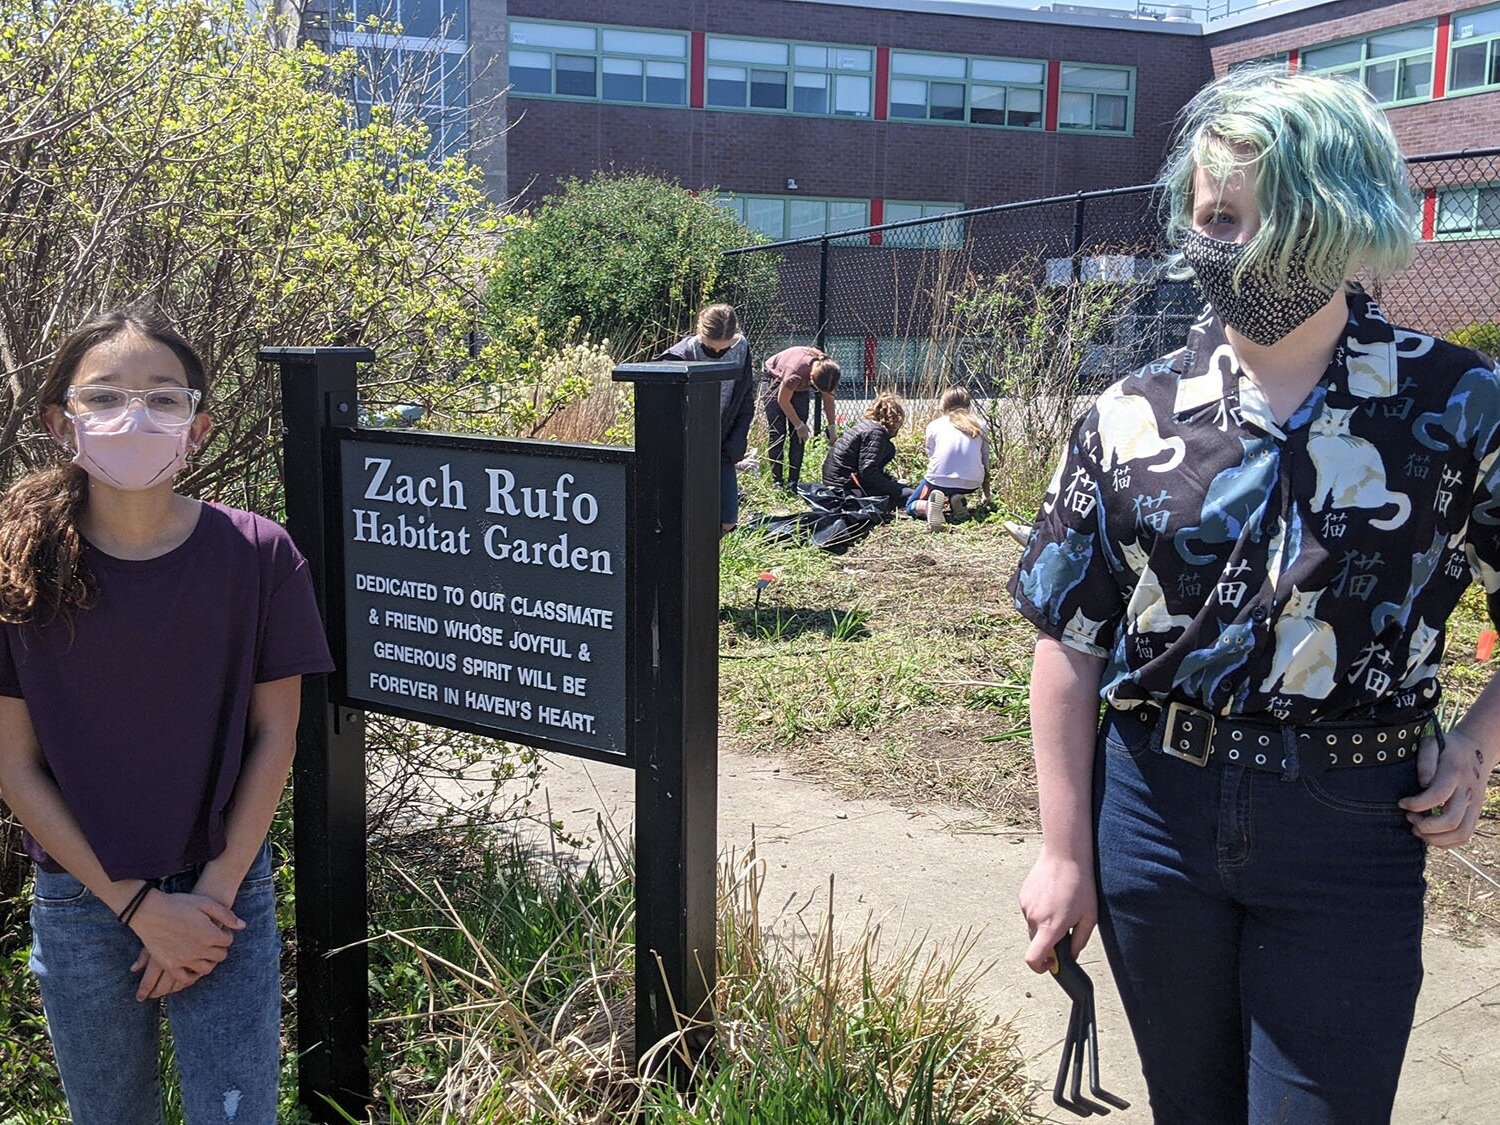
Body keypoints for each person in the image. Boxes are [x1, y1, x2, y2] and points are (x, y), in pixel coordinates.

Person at [1010, 66, 1500, 1125]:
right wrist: (1064, 849)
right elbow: (1071, 635)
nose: (1231, 246)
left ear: (1342, 213)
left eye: (1261, 217)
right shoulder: (1131, 414)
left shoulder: (1459, 406)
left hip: (1352, 827)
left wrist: (1477, 742)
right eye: (1214, 218)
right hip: (1154, 817)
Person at [0, 307, 334, 1123]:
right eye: (105, 398)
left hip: (227, 890)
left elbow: (276, 735)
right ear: (60, 421)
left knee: (237, 1112)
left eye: (162, 399)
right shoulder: (18, 569)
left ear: (198, 424)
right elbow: (12, 764)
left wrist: (208, 905)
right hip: (83, 898)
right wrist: (141, 909)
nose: (134, 418)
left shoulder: (258, 554)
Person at [659, 303, 756, 533]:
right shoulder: (681, 355)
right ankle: (690, 564)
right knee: (688, 514)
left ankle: (709, 561)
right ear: (700, 333)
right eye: (712, 350)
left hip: (723, 444)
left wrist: (739, 437)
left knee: (728, 520)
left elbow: (745, 397)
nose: (719, 354)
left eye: (724, 349)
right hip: (689, 445)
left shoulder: (741, 348)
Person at [906, 386, 990, 530]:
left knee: (910, 505)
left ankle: (927, 507)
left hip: (938, 480)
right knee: (959, 488)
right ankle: (958, 499)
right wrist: (986, 495)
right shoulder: (980, 424)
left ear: (943, 404)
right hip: (971, 483)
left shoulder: (935, 425)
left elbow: (932, 456)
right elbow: (985, 460)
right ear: (968, 404)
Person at [761, 344, 842, 491]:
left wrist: (832, 429)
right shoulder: (795, 372)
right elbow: (783, 401)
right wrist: (799, 425)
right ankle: (777, 482)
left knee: (799, 438)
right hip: (775, 380)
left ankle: (793, 482)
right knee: (778, 433)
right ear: (811, 378)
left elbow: (828, 398)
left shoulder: (826, 370)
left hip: (799, 386)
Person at [821, 391, 909, 506]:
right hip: (842, 487)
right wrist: (896, 488)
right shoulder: (876, 433)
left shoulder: (867, 427)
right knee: (906, 494)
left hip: (834, 481)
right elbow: (868, 471)